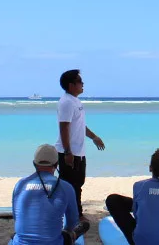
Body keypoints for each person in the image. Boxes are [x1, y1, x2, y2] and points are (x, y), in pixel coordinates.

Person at [11, 144, 89, 245]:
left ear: (34, 164)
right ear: (56, 165)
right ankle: (74, 235)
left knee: (16, 235)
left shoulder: (20, 184)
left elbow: (16, 217)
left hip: (20, 242)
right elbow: (72, 222)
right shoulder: (66, 187)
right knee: (71, 233)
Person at [56, 69, 106, 217]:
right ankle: (75, 215)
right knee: (71, 186)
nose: (83, 84)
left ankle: (74, 213)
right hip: (69, 152)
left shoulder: (75, 101)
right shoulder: (66, 103)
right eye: (80, 81)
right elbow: (63, 127)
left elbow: (79, 125)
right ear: (71, 85)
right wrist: (67, 152)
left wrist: (94, 137)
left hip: (78, 151)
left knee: (78, 183)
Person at [105, 149, 159, 245]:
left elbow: (137, 214)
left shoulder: (139, 185)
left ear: (150, 168)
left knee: (112, 200)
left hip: (141, 242)